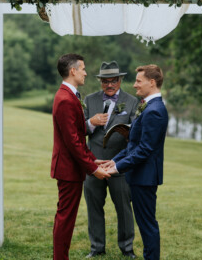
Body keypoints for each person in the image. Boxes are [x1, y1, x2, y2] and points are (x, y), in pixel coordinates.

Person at [103, 64, 168, 260]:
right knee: (145, 223)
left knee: (147, 225)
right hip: (139, 176)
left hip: (145, 177)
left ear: (152, 82)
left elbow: (145, 149)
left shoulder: (155, 110)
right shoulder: (148, 106)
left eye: (139, 81)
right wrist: (113, 161)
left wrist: (117, 167)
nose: (134, 85)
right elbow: (134, 144)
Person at [51, 54, 110, 260]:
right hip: (68, 169)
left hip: (71, 167)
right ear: (73, 71)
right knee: (65, 218)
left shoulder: (70, 96)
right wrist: (93, 169)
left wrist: (92, 160)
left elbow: (75, 135)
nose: (86, 72)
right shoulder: (66, 99)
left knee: (66, 217)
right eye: (83, 68)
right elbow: (73, 143)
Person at [84, 61, 138, 258]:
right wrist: (91, 122)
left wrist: (128, 133)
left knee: (124, 208)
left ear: (120, 80)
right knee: (94, 207)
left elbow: (137, 132)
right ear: (100, 82)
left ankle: (127, 248)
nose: (109, 85)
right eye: (105, 81)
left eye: (113, 81)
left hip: (119, 165)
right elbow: (77, 130)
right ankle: (97, 248)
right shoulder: (89, 100)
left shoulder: (132, 101)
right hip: (94, 165)